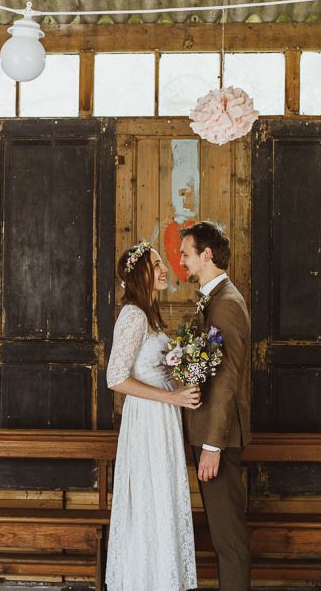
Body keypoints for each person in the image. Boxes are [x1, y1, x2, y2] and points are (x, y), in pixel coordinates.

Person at [105, 241, 200, 591]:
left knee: (163, 498)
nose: (164, 269)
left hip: (163, 418)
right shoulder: (134, 315)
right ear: (139, 273)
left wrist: (187, 378)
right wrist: (170, 396)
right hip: (147, 419)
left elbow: (156, 368)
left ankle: (163, 578)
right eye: (157, 264)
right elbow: (115, 377)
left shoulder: (151, 314)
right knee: (149, 498)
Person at [179, 221, 252, 591]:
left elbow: (226, 380)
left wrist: (212, 445)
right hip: (208, 432)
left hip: (217, 438)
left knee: (228, 538)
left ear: (207, 255)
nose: (181, 262)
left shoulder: (227, 304)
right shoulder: (214, 299)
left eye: (186, 254)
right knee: (222, 534)